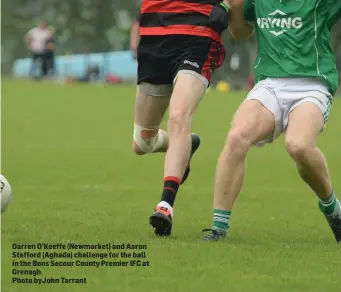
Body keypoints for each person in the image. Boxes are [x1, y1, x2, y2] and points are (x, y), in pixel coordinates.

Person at [203, 0, 341, 242]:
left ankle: (333, 209)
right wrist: (234, 8)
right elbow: (241, 33)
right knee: (237, 137)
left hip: (312, 83)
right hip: (270, 83)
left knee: (298, 145)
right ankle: (218, 230)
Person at [134, 0, 230, 236]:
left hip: (198, 32)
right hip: (154, 35)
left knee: (178, 117)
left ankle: (165, 205)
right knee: (143, 141)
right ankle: (187, 144)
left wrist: (226, 5)